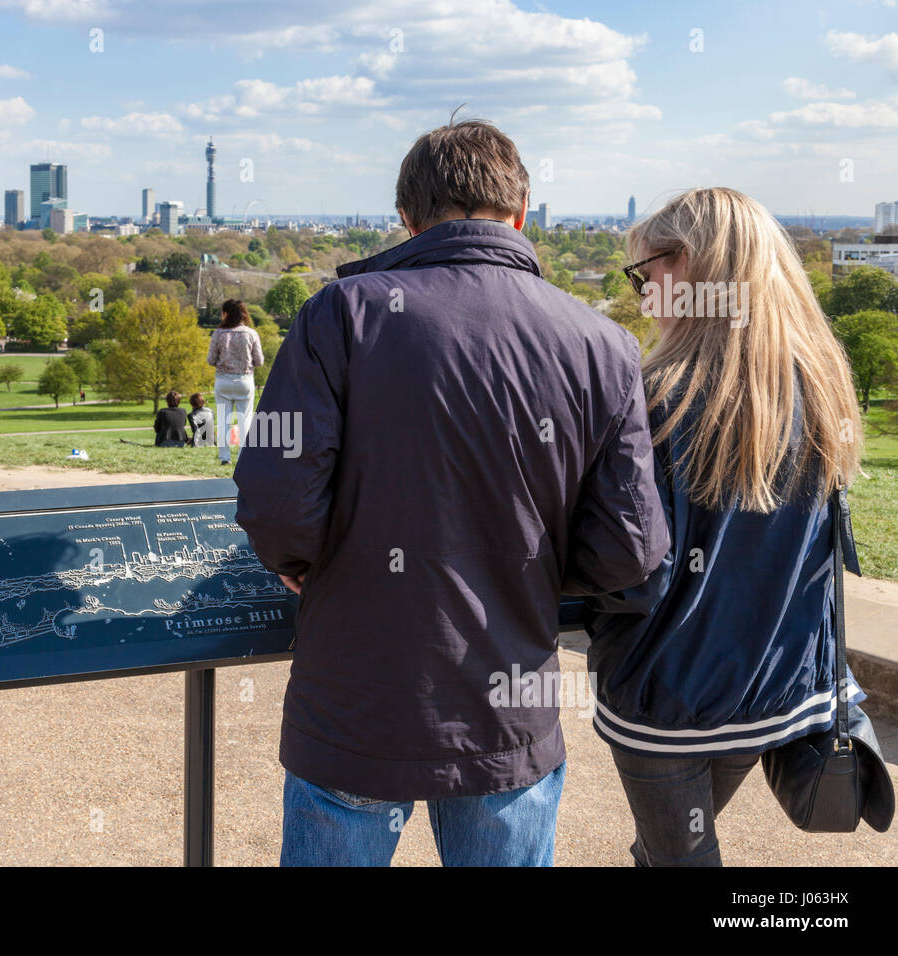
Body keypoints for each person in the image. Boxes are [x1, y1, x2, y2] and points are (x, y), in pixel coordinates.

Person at [234, 118, 668, 867]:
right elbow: (630, 545)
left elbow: (276, 495)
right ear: (522, 212)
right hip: (508, 704)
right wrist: (523, 571)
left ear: (406, 217)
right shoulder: (601, 342)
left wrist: (303, 562)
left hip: (355, 694)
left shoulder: (339, 315)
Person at [584, 187, 868, 867]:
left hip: (665, 688)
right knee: (672, 846)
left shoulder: (652, 397)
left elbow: (625, 561)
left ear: (689, 267)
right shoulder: (822, 388)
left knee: (680, 854)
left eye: (644, 271)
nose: (642, 289)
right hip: (770, 686)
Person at [207, 299, 264, 466]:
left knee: (223, 418)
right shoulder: (251, 334)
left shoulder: (218, 334)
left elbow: (211, 359)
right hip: (244, 380)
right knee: (244, 419)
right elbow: (259, 360)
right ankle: (242, 457)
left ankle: (225, 457)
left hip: (223, 380)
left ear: (226, 314)